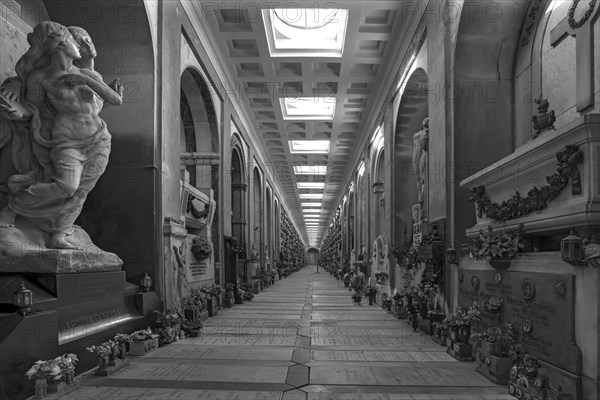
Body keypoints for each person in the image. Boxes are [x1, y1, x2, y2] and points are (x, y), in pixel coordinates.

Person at [0, 22, 122, 249]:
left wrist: (86, 81)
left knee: (82, 191)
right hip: (67, 143)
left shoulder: (85, 74)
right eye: (76, 41)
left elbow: (116, 99)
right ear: (60, 44)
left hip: (99, 139)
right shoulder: (39, 77)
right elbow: (33, 109)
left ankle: (60, 233)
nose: (80, 47)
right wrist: (16, 106)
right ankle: (13, 208)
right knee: (67, 186)